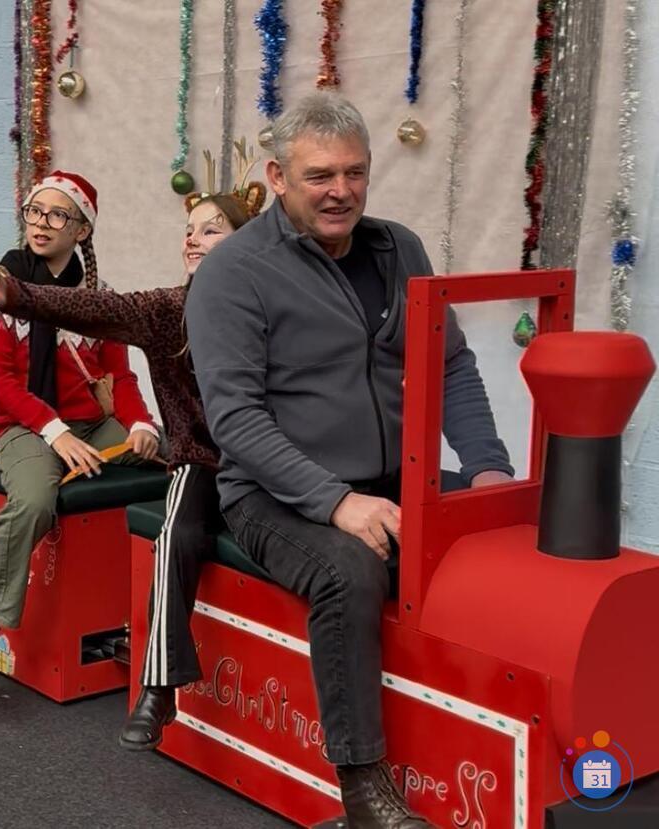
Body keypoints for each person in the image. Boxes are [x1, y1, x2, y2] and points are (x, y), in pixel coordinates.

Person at [185, 92, 513, 828]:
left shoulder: (401, 248)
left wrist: (487, 466)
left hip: (394, 477)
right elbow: (234, 419)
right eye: (320, 175)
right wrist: (335, 500)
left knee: (491, 529)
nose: (341, 191)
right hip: (273, 495)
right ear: (276, 175)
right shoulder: (232, 275)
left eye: (355, 173)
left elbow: (450, 365)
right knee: (350, 568)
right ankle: (363, 788)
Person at [0, 177, 265, 746]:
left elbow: (121, 377)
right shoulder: (165, 308)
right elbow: (20, 364)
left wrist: (138, 423)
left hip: (258, 458)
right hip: (162, 450)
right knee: (163, 527)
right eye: (189, 230)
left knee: (161, 466)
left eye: (211, 230)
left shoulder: (273, 306)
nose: (193, 239)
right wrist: (15, 296)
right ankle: (154, 686)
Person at [0, 171, 161, 681]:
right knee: (33, 500)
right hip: (26, 427)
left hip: (92, 424)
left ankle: (156, 616)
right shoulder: (3, 291)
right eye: (34, 211)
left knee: (176, 466)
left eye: (57, 215)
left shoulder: (99, 296)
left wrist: (142, 424)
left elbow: (120, 375)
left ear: (82, 230)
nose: (41, 224)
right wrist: (54, 431)